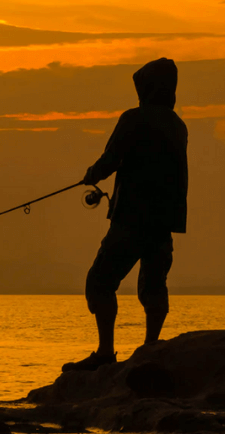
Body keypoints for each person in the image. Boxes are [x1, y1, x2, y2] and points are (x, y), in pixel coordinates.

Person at [63, 58, 188, 372]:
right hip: (165, 222)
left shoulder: (133, 119)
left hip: (131, 219)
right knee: (154, 285)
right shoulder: (178, 125)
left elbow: (110, 158)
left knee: (100, 282)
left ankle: (106, 353)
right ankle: (151, 347)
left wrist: (92, 174)